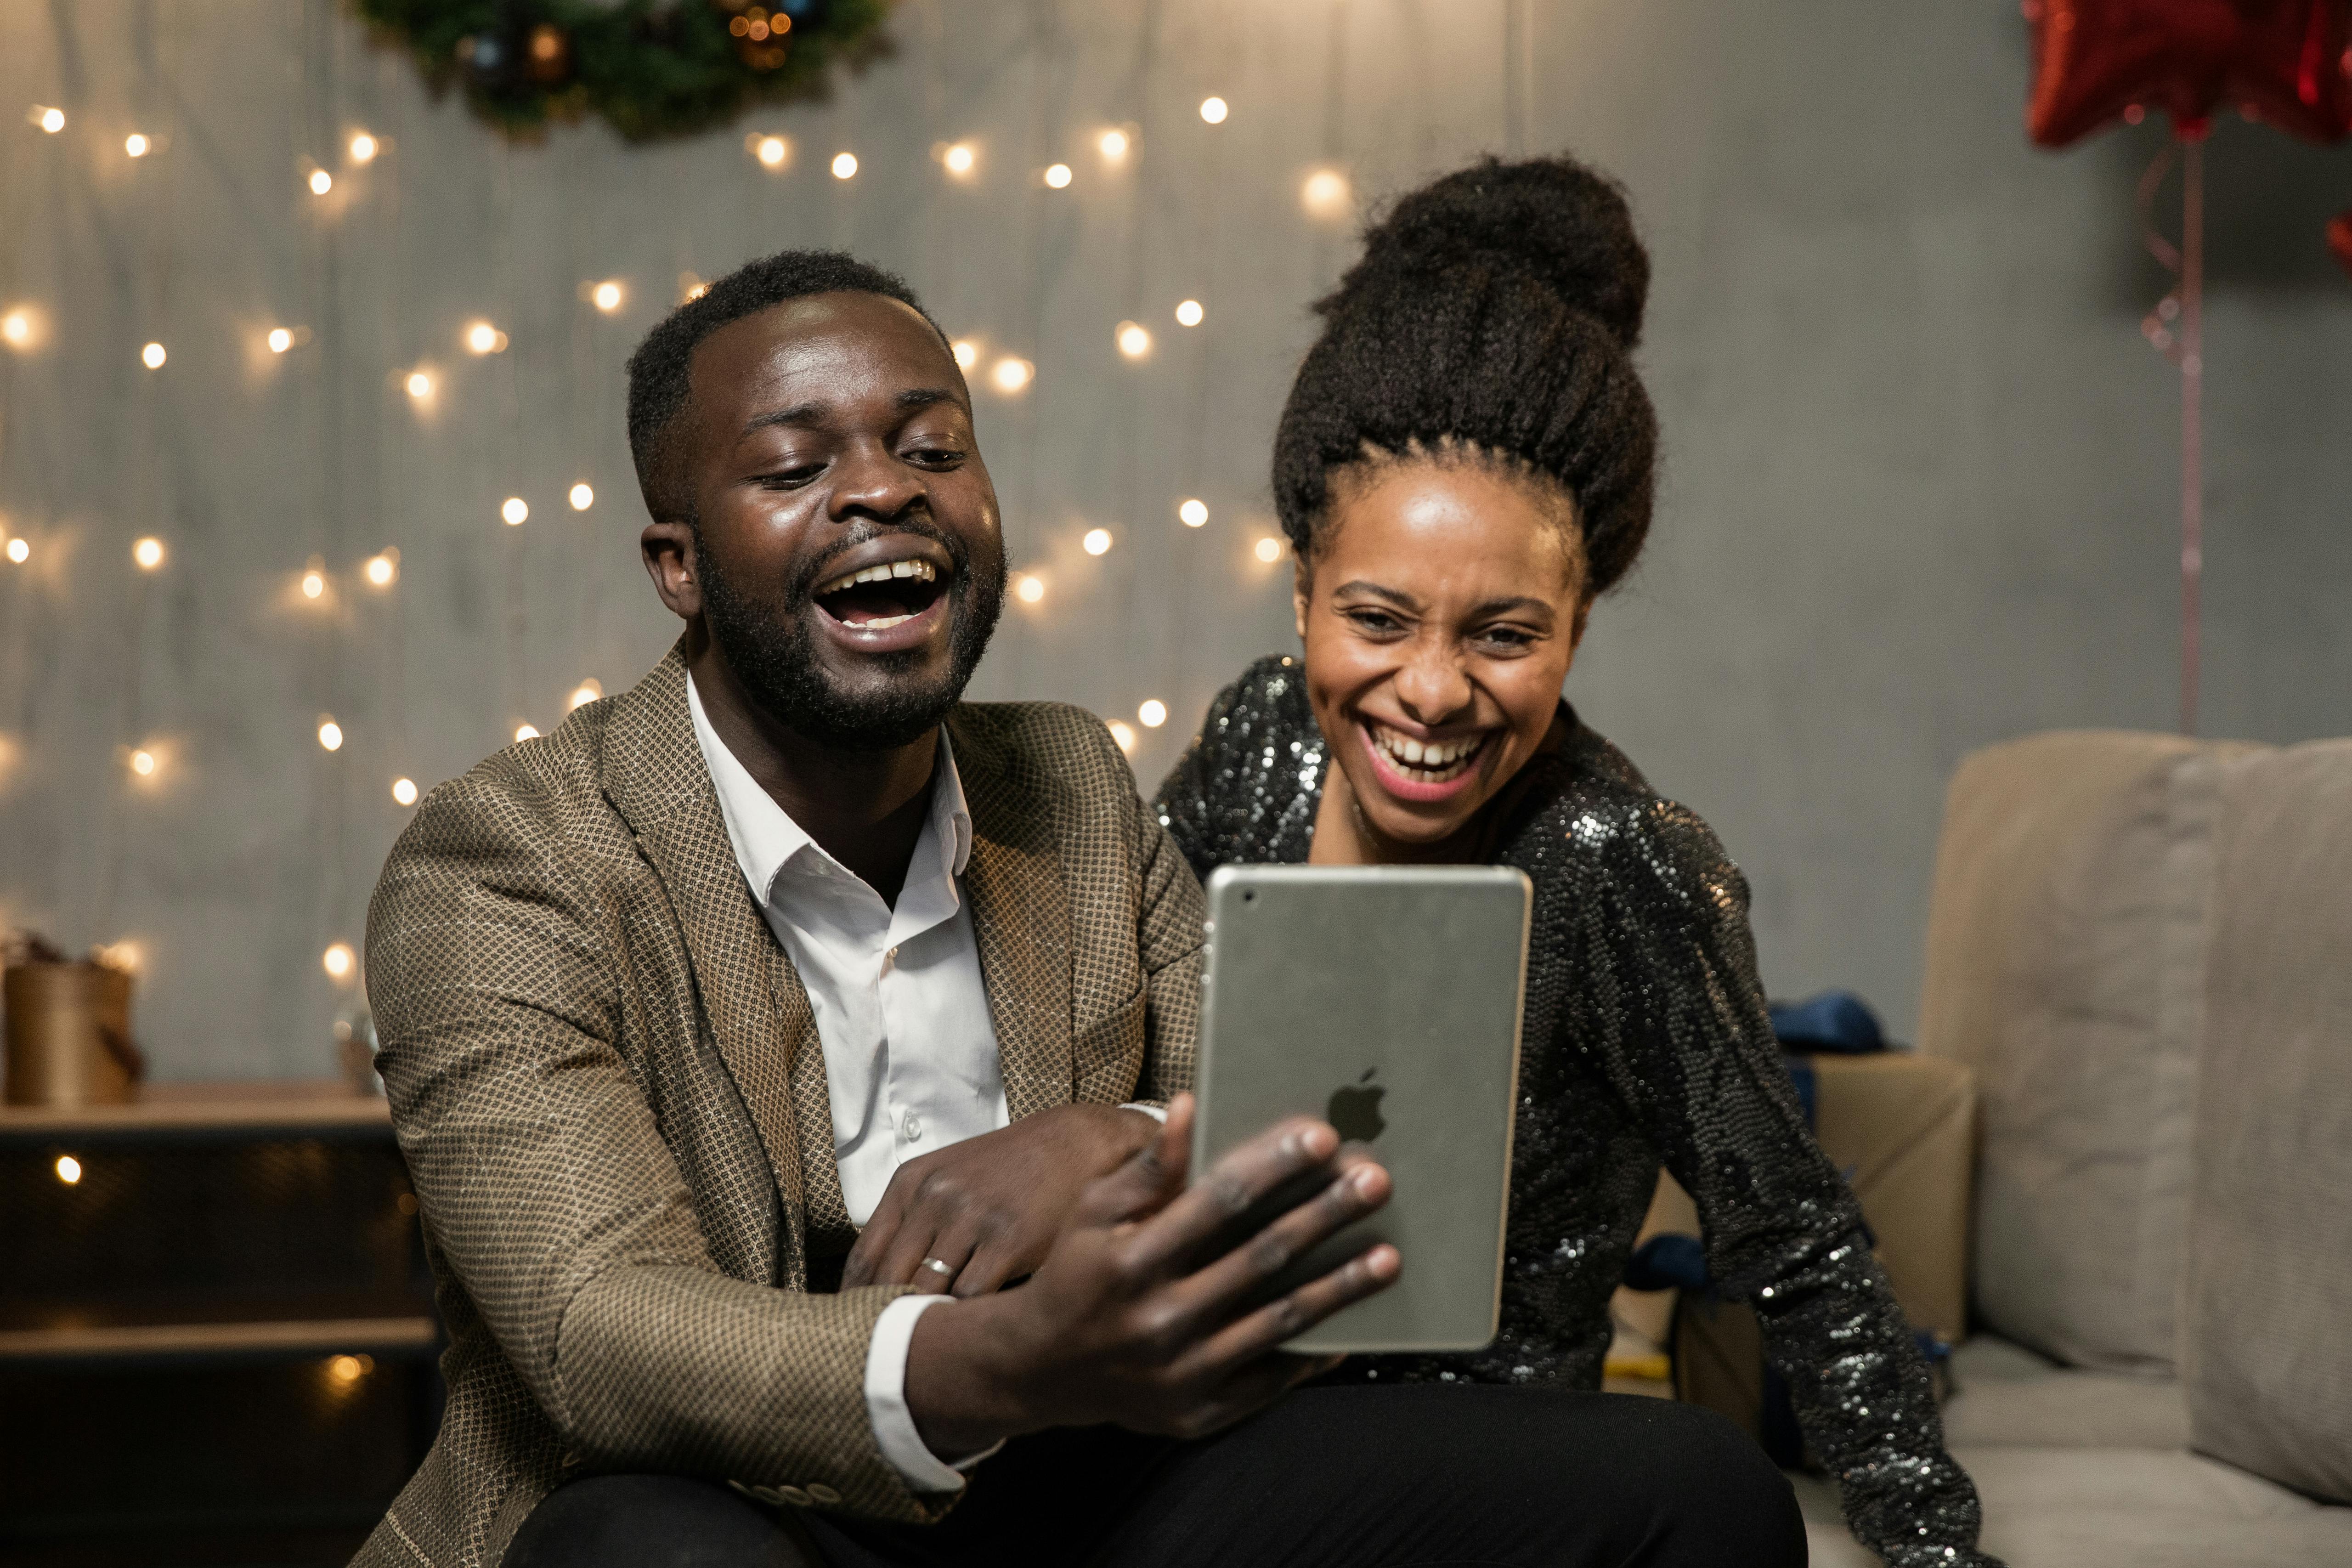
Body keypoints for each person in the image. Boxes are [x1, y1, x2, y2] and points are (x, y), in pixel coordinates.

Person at [360, 247, 1805, 1568]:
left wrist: (1100, 1139)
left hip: (1078, 1487)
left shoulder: (1071, 784)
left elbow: (1268, 1138)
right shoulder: (503, 862)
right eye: (797, 466)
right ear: (679, 565)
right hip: (726, 1501)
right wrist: (1006, 1360)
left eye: (933, 447)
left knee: (1694, 1492)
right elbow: (596, 1334)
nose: (883, 490)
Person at [1156, 157, 1999, 1568]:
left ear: (1578, 627)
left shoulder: (1620, 862)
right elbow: (1107, 1024)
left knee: (1707, 1488)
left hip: (1461, 1452)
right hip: (1190, 1393)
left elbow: (1798, 1241)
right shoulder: (1255, 736)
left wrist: (1936, 1552)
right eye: (1376, 619)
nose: (1431, 691)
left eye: (1502, 634)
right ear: (1301, 590)